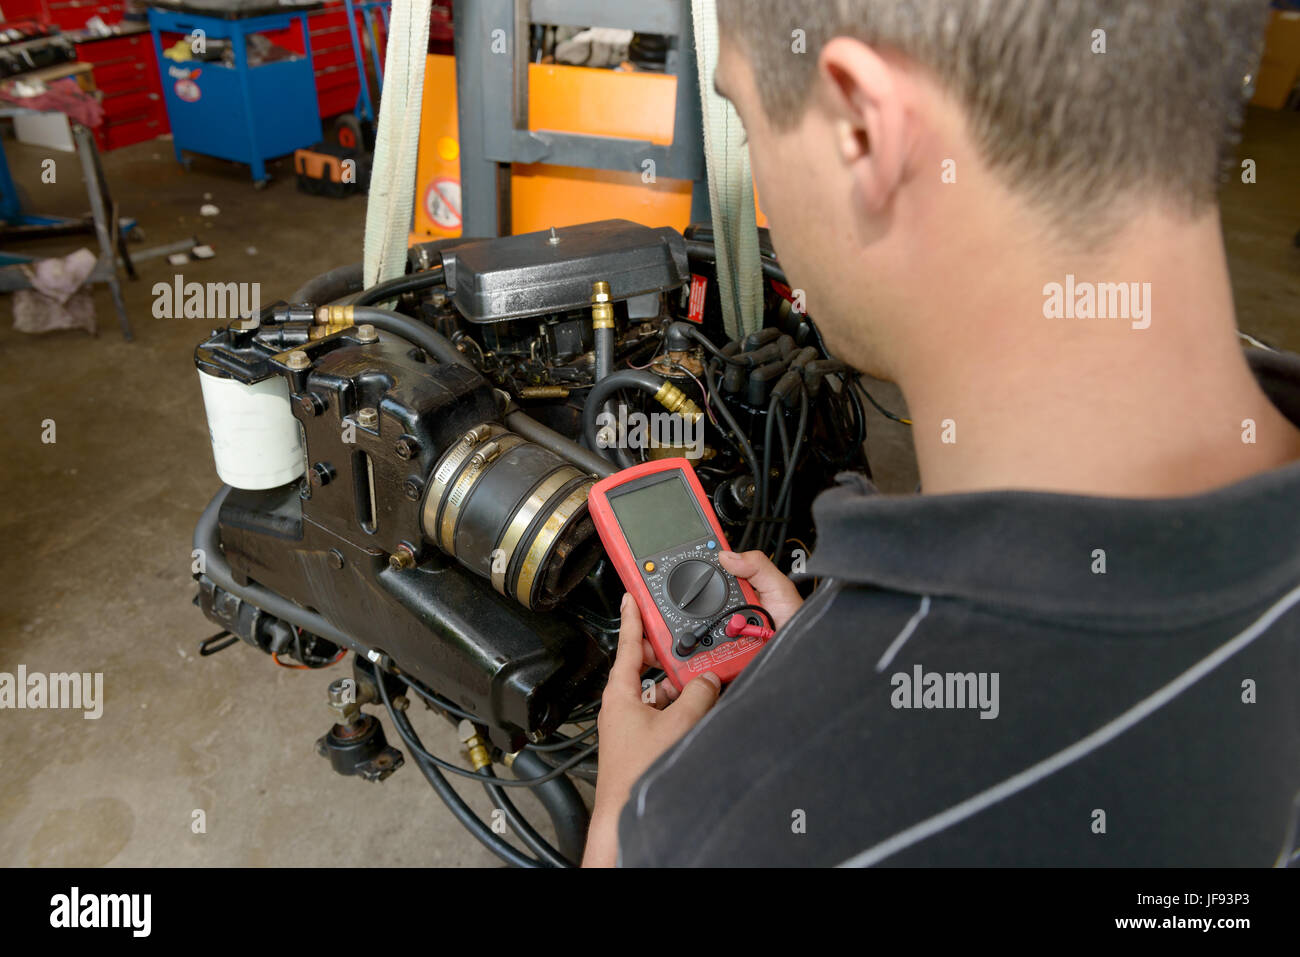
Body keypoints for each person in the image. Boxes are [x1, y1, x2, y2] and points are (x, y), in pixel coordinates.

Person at [581, 0, 1300, 867]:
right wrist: (837, 660)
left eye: (748, 121)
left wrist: (638, 829)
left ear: (863, 128)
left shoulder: (726, 826)